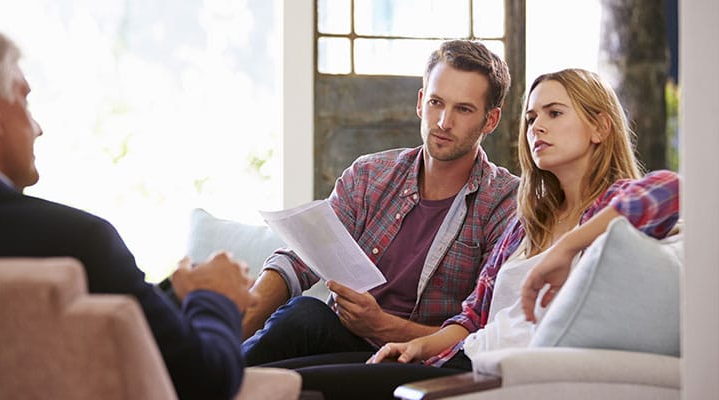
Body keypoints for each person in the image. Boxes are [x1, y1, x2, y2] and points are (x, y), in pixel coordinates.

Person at [266, 68, 680, 400]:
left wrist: (568, 246)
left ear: (600, 128)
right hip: (457, 358)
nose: (537, 127)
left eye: (555, 114)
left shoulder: (615, 203)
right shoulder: (528, 219)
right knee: (273, 376)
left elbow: (673, 190)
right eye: (532, 117)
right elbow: (471, 318)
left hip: (494, 376)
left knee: (288, 387)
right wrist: (417, 347)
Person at [0, 23, 256, 400]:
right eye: (24, 99)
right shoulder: (74, 241)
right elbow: (202, 382)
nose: (38, 128)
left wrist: (170, 295)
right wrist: (215, 298)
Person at [242, 39, 519, 366]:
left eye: (463, 109)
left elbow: (485, 330)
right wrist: (230, 333)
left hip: (424, 362)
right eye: (436, 102)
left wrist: (382, 325)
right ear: (420, 102)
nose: (444, 122)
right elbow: (297, 261)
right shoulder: (369, 176)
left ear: (491, 120)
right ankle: (207, 369)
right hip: (341, 343)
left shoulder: (505, 203)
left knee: (299, 327)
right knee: (292, 333)